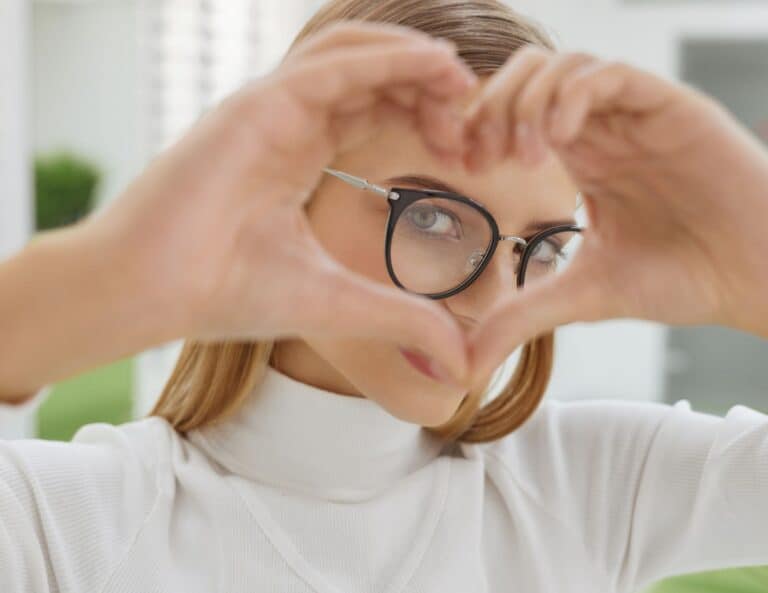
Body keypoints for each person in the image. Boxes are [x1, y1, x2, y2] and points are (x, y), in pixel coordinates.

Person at [1, 1, 768, 592]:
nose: (493, 302)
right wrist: (108, 280)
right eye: (433, 216)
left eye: (542, 247)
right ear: (290, 192)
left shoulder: (591, 484)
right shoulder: (67, 522)